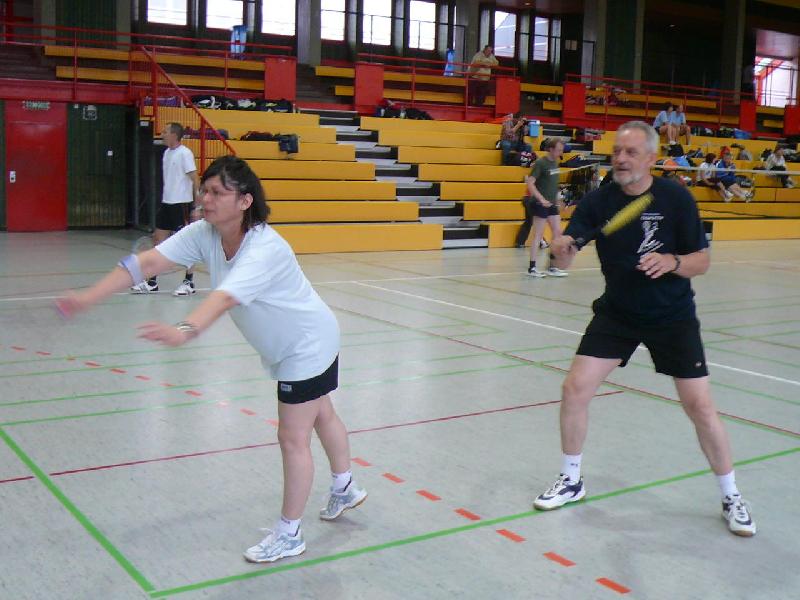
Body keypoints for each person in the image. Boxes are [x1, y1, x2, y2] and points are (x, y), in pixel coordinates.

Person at [56, 155, 368, 563]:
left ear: (245, 201)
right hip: (303, 339)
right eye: (204, 190)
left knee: (292, 437)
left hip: (306, 345)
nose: (206, 199)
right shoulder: (205, 233)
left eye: (218, 192)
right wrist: (88, 296)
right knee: (322, 412)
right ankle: (345, 487)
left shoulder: (264, 248)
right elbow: (149, 261)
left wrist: (184, 330)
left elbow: (223, 298)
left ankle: (290, 533)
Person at [531, 121, 756, 538]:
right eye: (617, 151)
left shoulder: (675, 198)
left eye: (631, 152)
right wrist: (561, 250)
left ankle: (731, 496)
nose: (621, 159)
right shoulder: (599, 201)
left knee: (700, 407)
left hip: (672, 315)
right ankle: (571, 478)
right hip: (618, 312)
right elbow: (566, 256)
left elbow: (701, 261)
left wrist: (672, 262)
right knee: (575, 388)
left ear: (651, 158)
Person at [132, 122, 200, 296]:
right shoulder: (167, 153)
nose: (162, 134)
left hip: (181, 204)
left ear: (174, 135)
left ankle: (189, 282)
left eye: (165, 131)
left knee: (186, 244)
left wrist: (197, 206)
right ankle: (152, 282)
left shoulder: (185, 153)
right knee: (158, 242)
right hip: (166, 203)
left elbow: (195, 179)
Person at [523, 138, 568, 277]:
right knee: (538, 234)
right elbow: (530, 183)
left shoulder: (555, 163)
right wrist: (541, 199)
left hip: (551, 203)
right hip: (539, 203)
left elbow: (553, 185)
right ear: (551, 149)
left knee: (557, 233)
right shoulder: (541, 163)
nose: (560, 153)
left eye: (561, 150)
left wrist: (559, 200)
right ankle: (532, 268)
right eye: (558, 150)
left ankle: (552, 266)